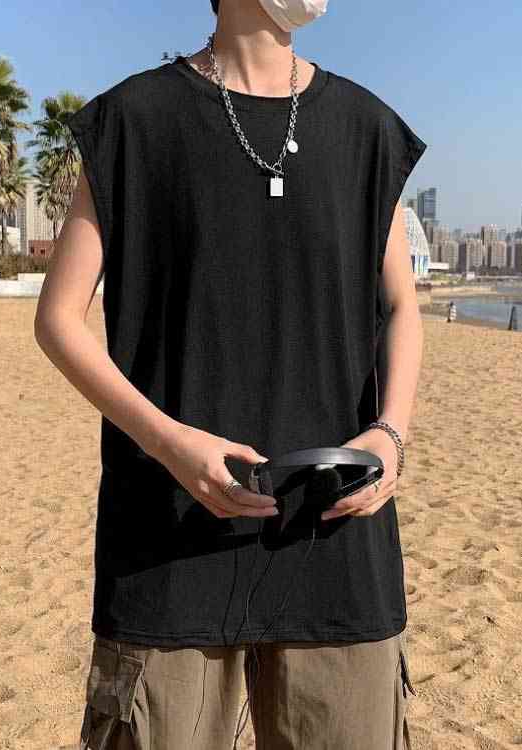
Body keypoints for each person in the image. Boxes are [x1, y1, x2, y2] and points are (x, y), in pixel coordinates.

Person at [35, 0, 427, 747]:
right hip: (168, 535)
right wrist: (169, 443)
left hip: (337, 533)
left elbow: (402, 304)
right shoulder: (133, 121)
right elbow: (58, 319)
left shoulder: (368, 129)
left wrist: (391, 434)